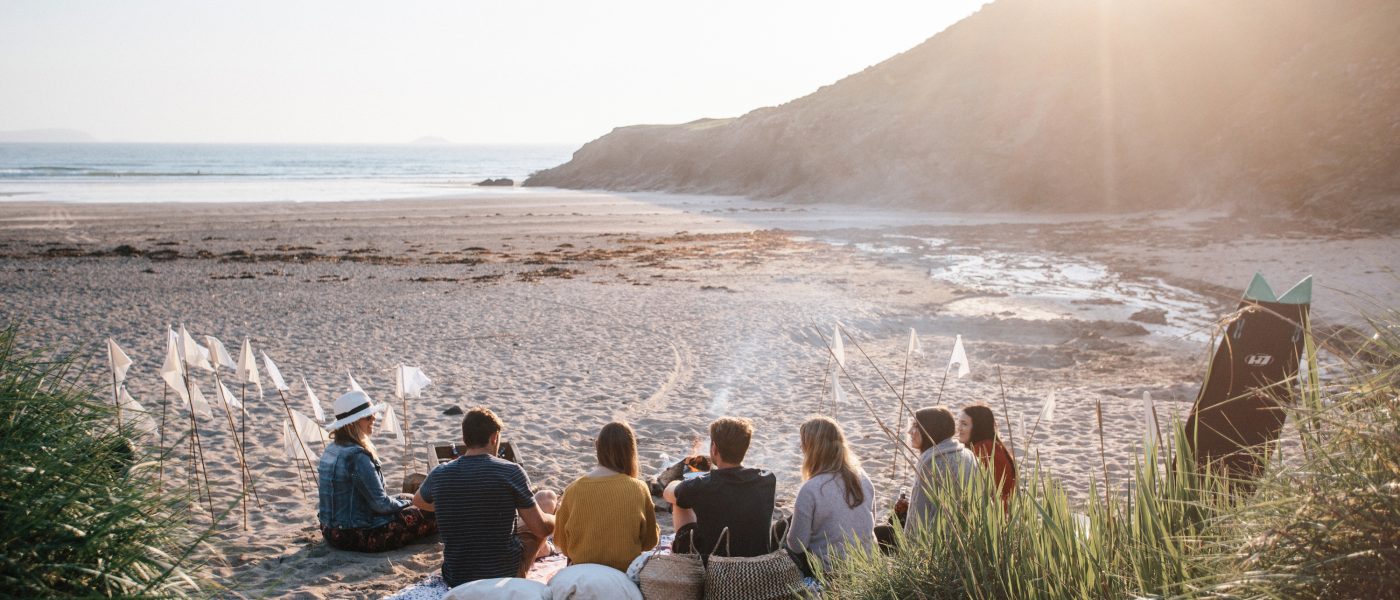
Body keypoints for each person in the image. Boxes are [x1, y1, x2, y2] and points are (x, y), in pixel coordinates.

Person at [413, 407, 556, 586]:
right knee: (547, 502)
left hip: (457, 576)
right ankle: (543, 549)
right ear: (494, 437)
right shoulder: (510, 471)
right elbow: (541, 529)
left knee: (542, 498)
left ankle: (542, 549)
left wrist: (453, 502)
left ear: (466, 438)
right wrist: (555, 519)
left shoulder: (440, 473)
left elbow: (417, 500)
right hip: (504, 575)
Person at [317, 391, 437, 552]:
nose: (374, 419)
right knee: (433, 512)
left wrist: (408, 501)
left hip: (330, 530)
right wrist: (411, 503)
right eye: (368, 417)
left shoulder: (332, 449)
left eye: (372, 414)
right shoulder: (357, 457)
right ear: (352, 423)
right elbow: (381, 505)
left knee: (407, 497)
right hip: (355, 535)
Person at [554, 421, 660, 571]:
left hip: (582, 572)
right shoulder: (639, 488)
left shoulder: (573, 489)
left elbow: (561, 544)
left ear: (597, 446)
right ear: (632, 452)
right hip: (624, 575)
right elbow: (650, 541)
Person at [663, 417, 776, 557]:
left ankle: (685, 558)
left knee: (679, 501)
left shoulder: (702, 485)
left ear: (714, 448)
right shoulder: (768, 479)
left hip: (714, 567)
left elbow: (667, 493)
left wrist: (677, 482)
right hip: (756, 565)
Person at [783, 416, 876, 577]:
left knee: (783, 538)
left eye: (803, 444)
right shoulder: (863, 477)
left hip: (831, 572)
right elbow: (869, 521)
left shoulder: (811, 488)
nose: (801, 447)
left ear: (812, 449)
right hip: (868, 565)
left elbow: (797, 545)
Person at [904, 406, 979, 535]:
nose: (910, 431)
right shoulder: (967, 454)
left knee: (883, 533)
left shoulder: (930, 462)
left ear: (930, 430)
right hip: (968, 535)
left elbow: (918, 516)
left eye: (916, 426)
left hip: (938, 540)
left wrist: (907, 551)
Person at [959, 404, 1017, 508]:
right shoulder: (990, 445)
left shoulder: (984, 450)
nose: (959, 428)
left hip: (996, 513)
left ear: (978, 427)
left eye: (964, 424)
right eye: (959, 423)